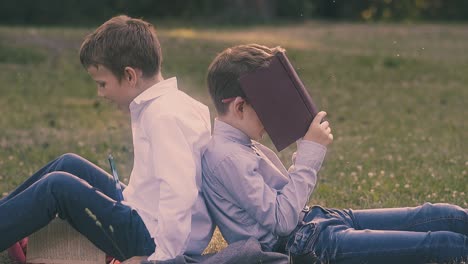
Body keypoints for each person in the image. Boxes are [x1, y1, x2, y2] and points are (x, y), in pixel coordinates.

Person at [201, 43, 468, 263]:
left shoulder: (240, 145)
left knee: (443, 215)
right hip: (306, 245)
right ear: (239, 107)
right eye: (267, 108)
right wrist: (308, 156)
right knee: (440, 245)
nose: (272, 118)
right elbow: (281, 221)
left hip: (316, 221)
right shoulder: (227, 158)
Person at [0, 15, 214, 263]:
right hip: (142, 211)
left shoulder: (163, 116)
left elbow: (180, 192)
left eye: (102, 84)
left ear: (130, 76)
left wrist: (159, 258)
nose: (100, 94)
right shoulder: (173, 103)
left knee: (57, 186)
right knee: (68, 163)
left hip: (150, 239)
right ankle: (9, 216)